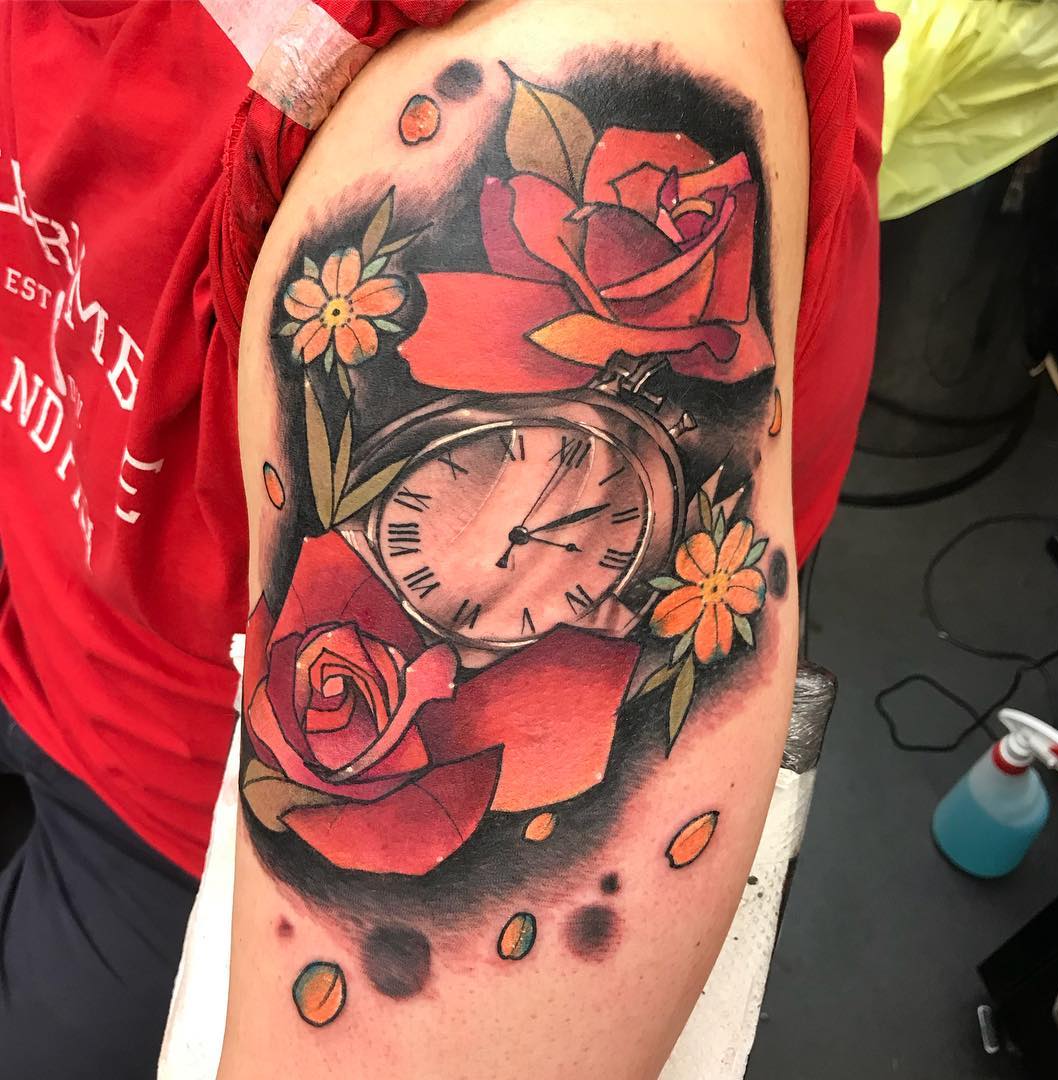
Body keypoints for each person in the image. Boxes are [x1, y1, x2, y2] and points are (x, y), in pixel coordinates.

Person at [0, 2, 898, 1077]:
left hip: (177, 832)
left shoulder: (577, 56)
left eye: (561, 551)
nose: (518, 542)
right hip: (50, 624)